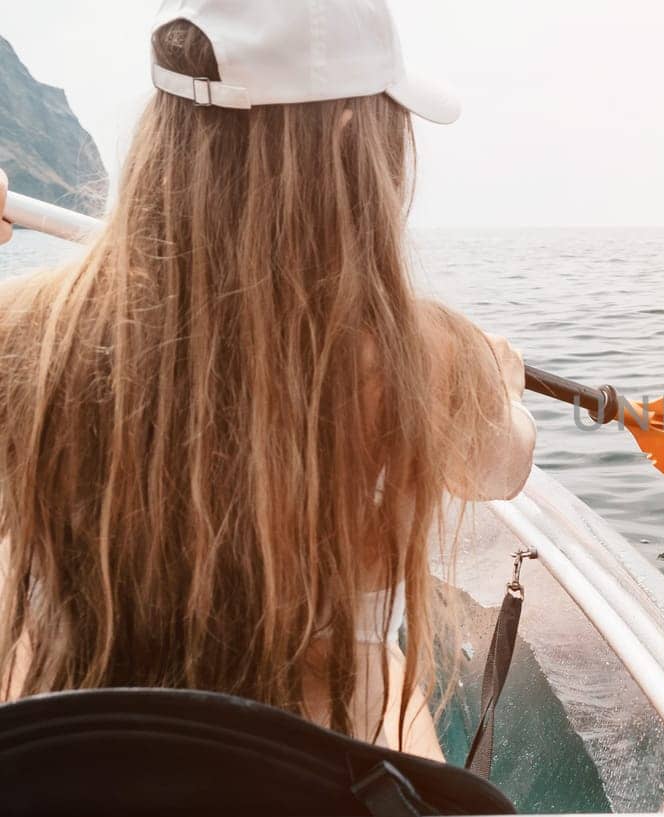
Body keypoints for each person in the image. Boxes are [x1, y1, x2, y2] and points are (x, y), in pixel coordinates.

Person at [0, 0, 536, 761]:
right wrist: (497, 376)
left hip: (76, 760)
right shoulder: (426, 359)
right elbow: (505, 466)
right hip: (308, 775)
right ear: (354, 135)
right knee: (384, 672)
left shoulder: (28, 332)